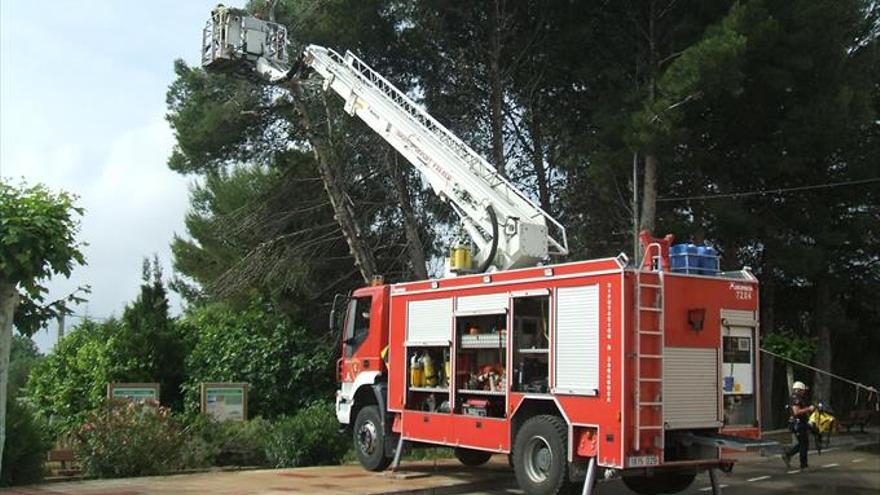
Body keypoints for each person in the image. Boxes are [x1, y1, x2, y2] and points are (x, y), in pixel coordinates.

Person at [782, 381, 814, 470]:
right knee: (804, 444)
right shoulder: (796, 399)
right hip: (798, 424)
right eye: (803, 390)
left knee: (802, 443)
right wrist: (809, 409)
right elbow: (796, 412)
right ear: (799, 390)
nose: (804, 392)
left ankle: (788, 454)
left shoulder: (794, 398)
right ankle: (803, 465)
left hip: (798, 423)